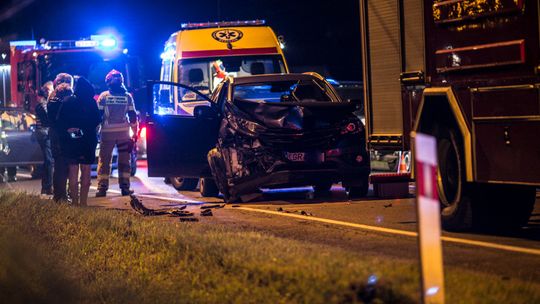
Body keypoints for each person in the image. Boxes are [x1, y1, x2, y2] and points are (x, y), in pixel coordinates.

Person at [58, 77, 101, 206]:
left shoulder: (67, 101)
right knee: (86, 169)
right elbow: (97, 120)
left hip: (73, 140)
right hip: (88, 139)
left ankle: (75, 202)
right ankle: (84, 202)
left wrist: (71, 130)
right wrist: (85, 129)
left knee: (73, 170)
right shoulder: (92, 103)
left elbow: (60, 120)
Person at [96, 70, 138, 197]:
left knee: (104, 160)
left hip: (107, 133)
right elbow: (133, 116)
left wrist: (96, 132)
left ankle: (102, 188)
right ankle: (125, 187)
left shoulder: (103, 96)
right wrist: (135, 133)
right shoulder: (127, 97)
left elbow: (98, 116)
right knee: (125, 160)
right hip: (124, 134)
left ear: (108, 82)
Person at [47, 73, 74, 202]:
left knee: (59, 166)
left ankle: (59, 195)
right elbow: (67, 118)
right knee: (63, 166)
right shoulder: (65, 97)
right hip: (63, 135)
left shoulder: (52, 97)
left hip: (54, 133)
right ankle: (61, 196)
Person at [35, 81, 54, 194]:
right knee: (49, 160)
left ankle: (46, 186)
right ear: (47, 91)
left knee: (48, 160)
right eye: (51, 90)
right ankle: (48, 187)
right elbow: (47, 120)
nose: (52, 92)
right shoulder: (43, 104)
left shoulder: (44, 103)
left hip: (44, 132)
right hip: (44, 133)